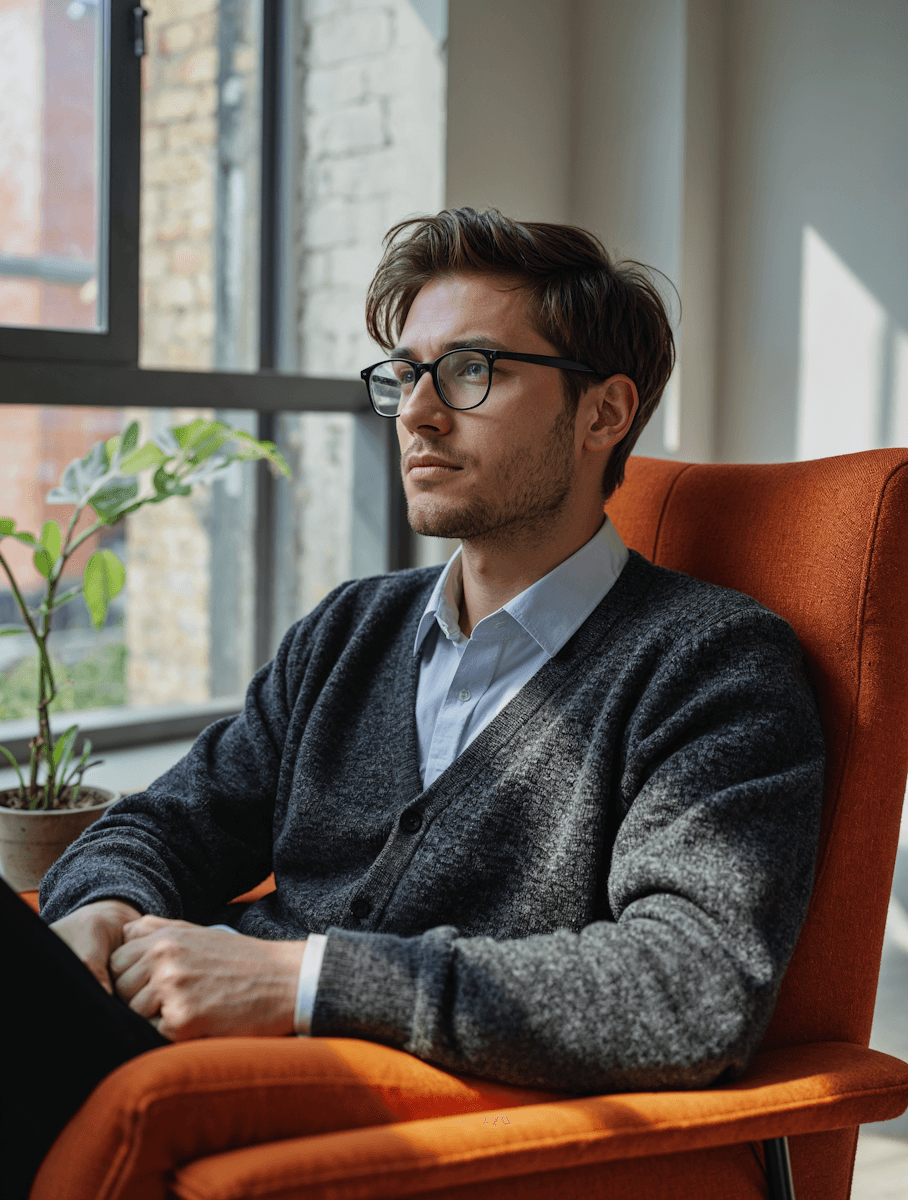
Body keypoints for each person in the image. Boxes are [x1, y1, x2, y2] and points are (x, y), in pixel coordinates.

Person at [6, 207, 825, 1197]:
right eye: (404, 375)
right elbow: (169, 820)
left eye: (471, 371)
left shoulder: (713, 666)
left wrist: (301, 983)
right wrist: (101, 905)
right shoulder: (352, 630)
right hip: (157, 1036)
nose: (418, 414)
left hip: (313, 1107)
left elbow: (686, 989)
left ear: (602, 414)